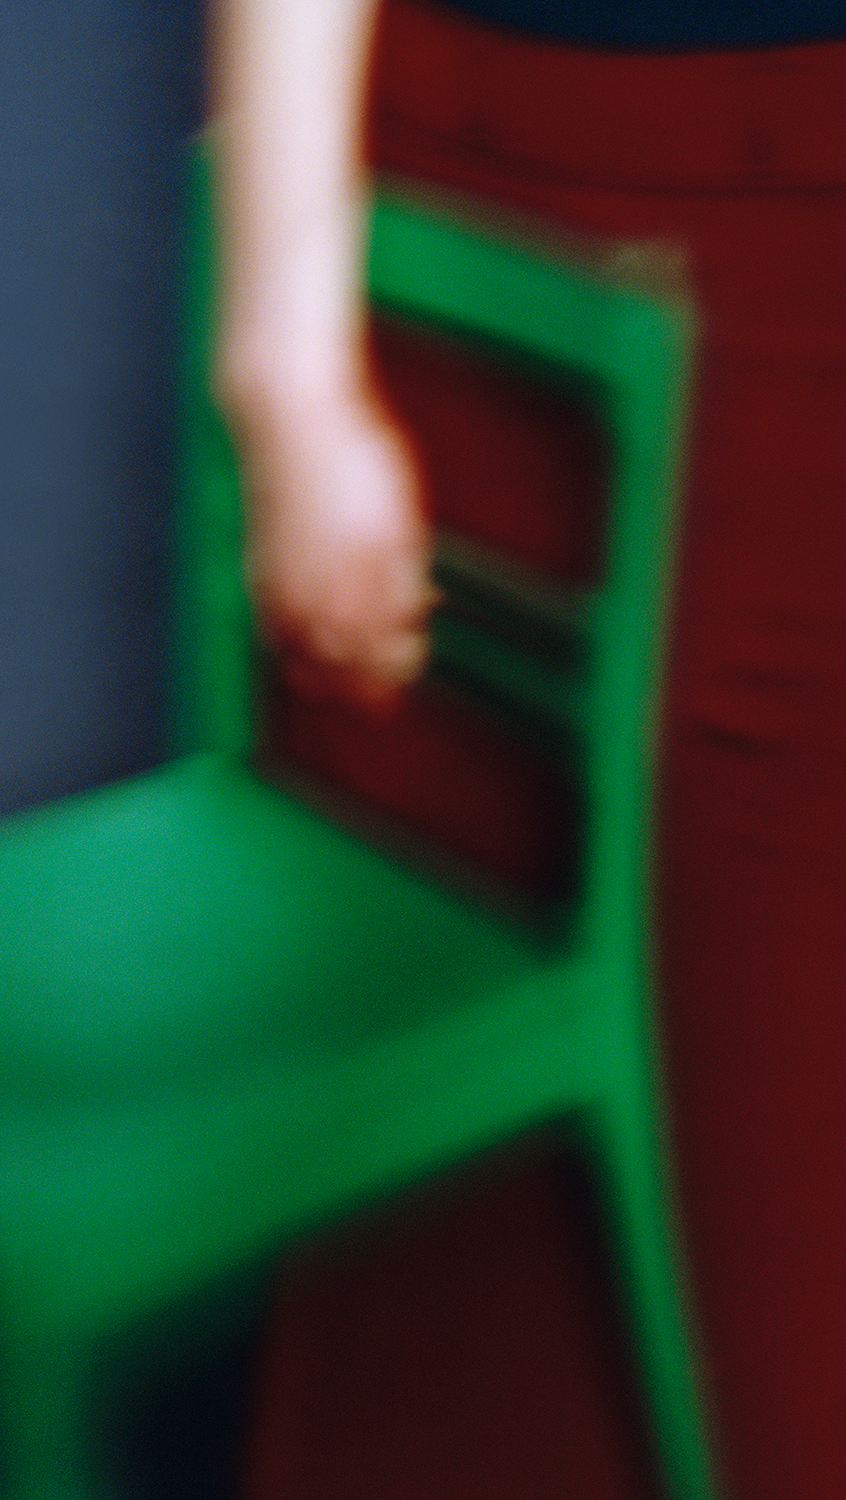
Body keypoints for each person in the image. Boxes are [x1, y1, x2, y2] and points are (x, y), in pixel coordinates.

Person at [209, 2, 846, 1497]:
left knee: (771, 1149)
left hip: (793, 227)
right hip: (446, 192)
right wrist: (285, 364)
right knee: (413, 1132)